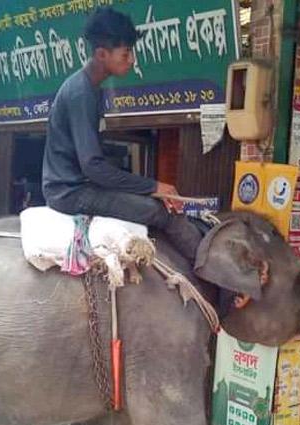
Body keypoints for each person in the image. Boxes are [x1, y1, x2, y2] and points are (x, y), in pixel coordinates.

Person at [40, 7, 202, 261]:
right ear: (102, 54)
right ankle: (217, 280)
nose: (132, 60)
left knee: (154, 198)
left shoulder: (89, 88)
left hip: (77, 186)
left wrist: (149, 187)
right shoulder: (81, 93)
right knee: (162, 212)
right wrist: (153, 186)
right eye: (126, 53)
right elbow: (93, 167)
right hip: (70, 192)